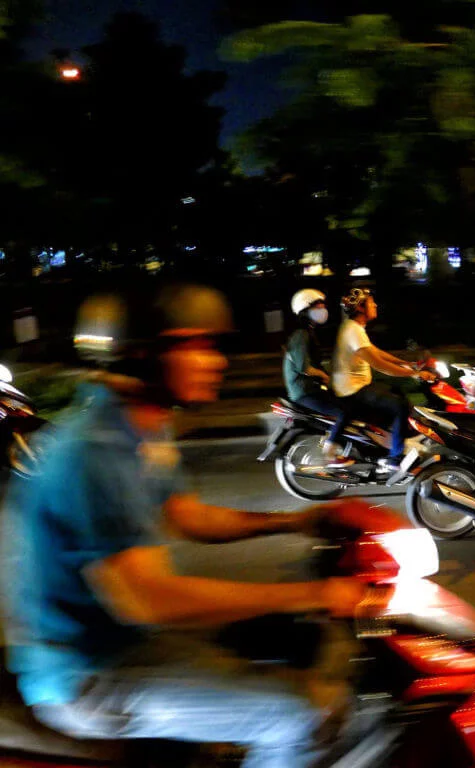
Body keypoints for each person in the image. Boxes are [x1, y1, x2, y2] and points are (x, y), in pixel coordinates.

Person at [1, 284, 382, 768]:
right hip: (87, 676)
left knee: (286, 647)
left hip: (120, 646)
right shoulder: (95, 450)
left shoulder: (137, 426)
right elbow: (150, 599)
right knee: (301, 716)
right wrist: (316, 595)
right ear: (141, 355)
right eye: (196, 346)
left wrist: (302, 521)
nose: (216, 361)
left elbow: (189, 516)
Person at [332, 288, 435, 472]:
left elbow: (376, 352)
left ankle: (393, 442)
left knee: (396, 392)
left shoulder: (354, 328)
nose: (375, 305)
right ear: (361, 308)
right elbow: (379, 364)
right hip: (353, 391)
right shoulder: (353, 331)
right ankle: (395, 459)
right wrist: (415, 374)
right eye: (371, 303)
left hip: (357, 387)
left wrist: (406, 363)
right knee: (399, 405)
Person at [284, 288, 348, 462]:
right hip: (303, 393)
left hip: (310, 389)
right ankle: (331, 453)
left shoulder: (308, 332)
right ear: (305, 312)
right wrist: (325, 377)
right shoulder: (301, 335)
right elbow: (304, 368)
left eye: (323, 306)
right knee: (343, 412)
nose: (322, 310)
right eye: (317, 307)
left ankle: (339, 443)